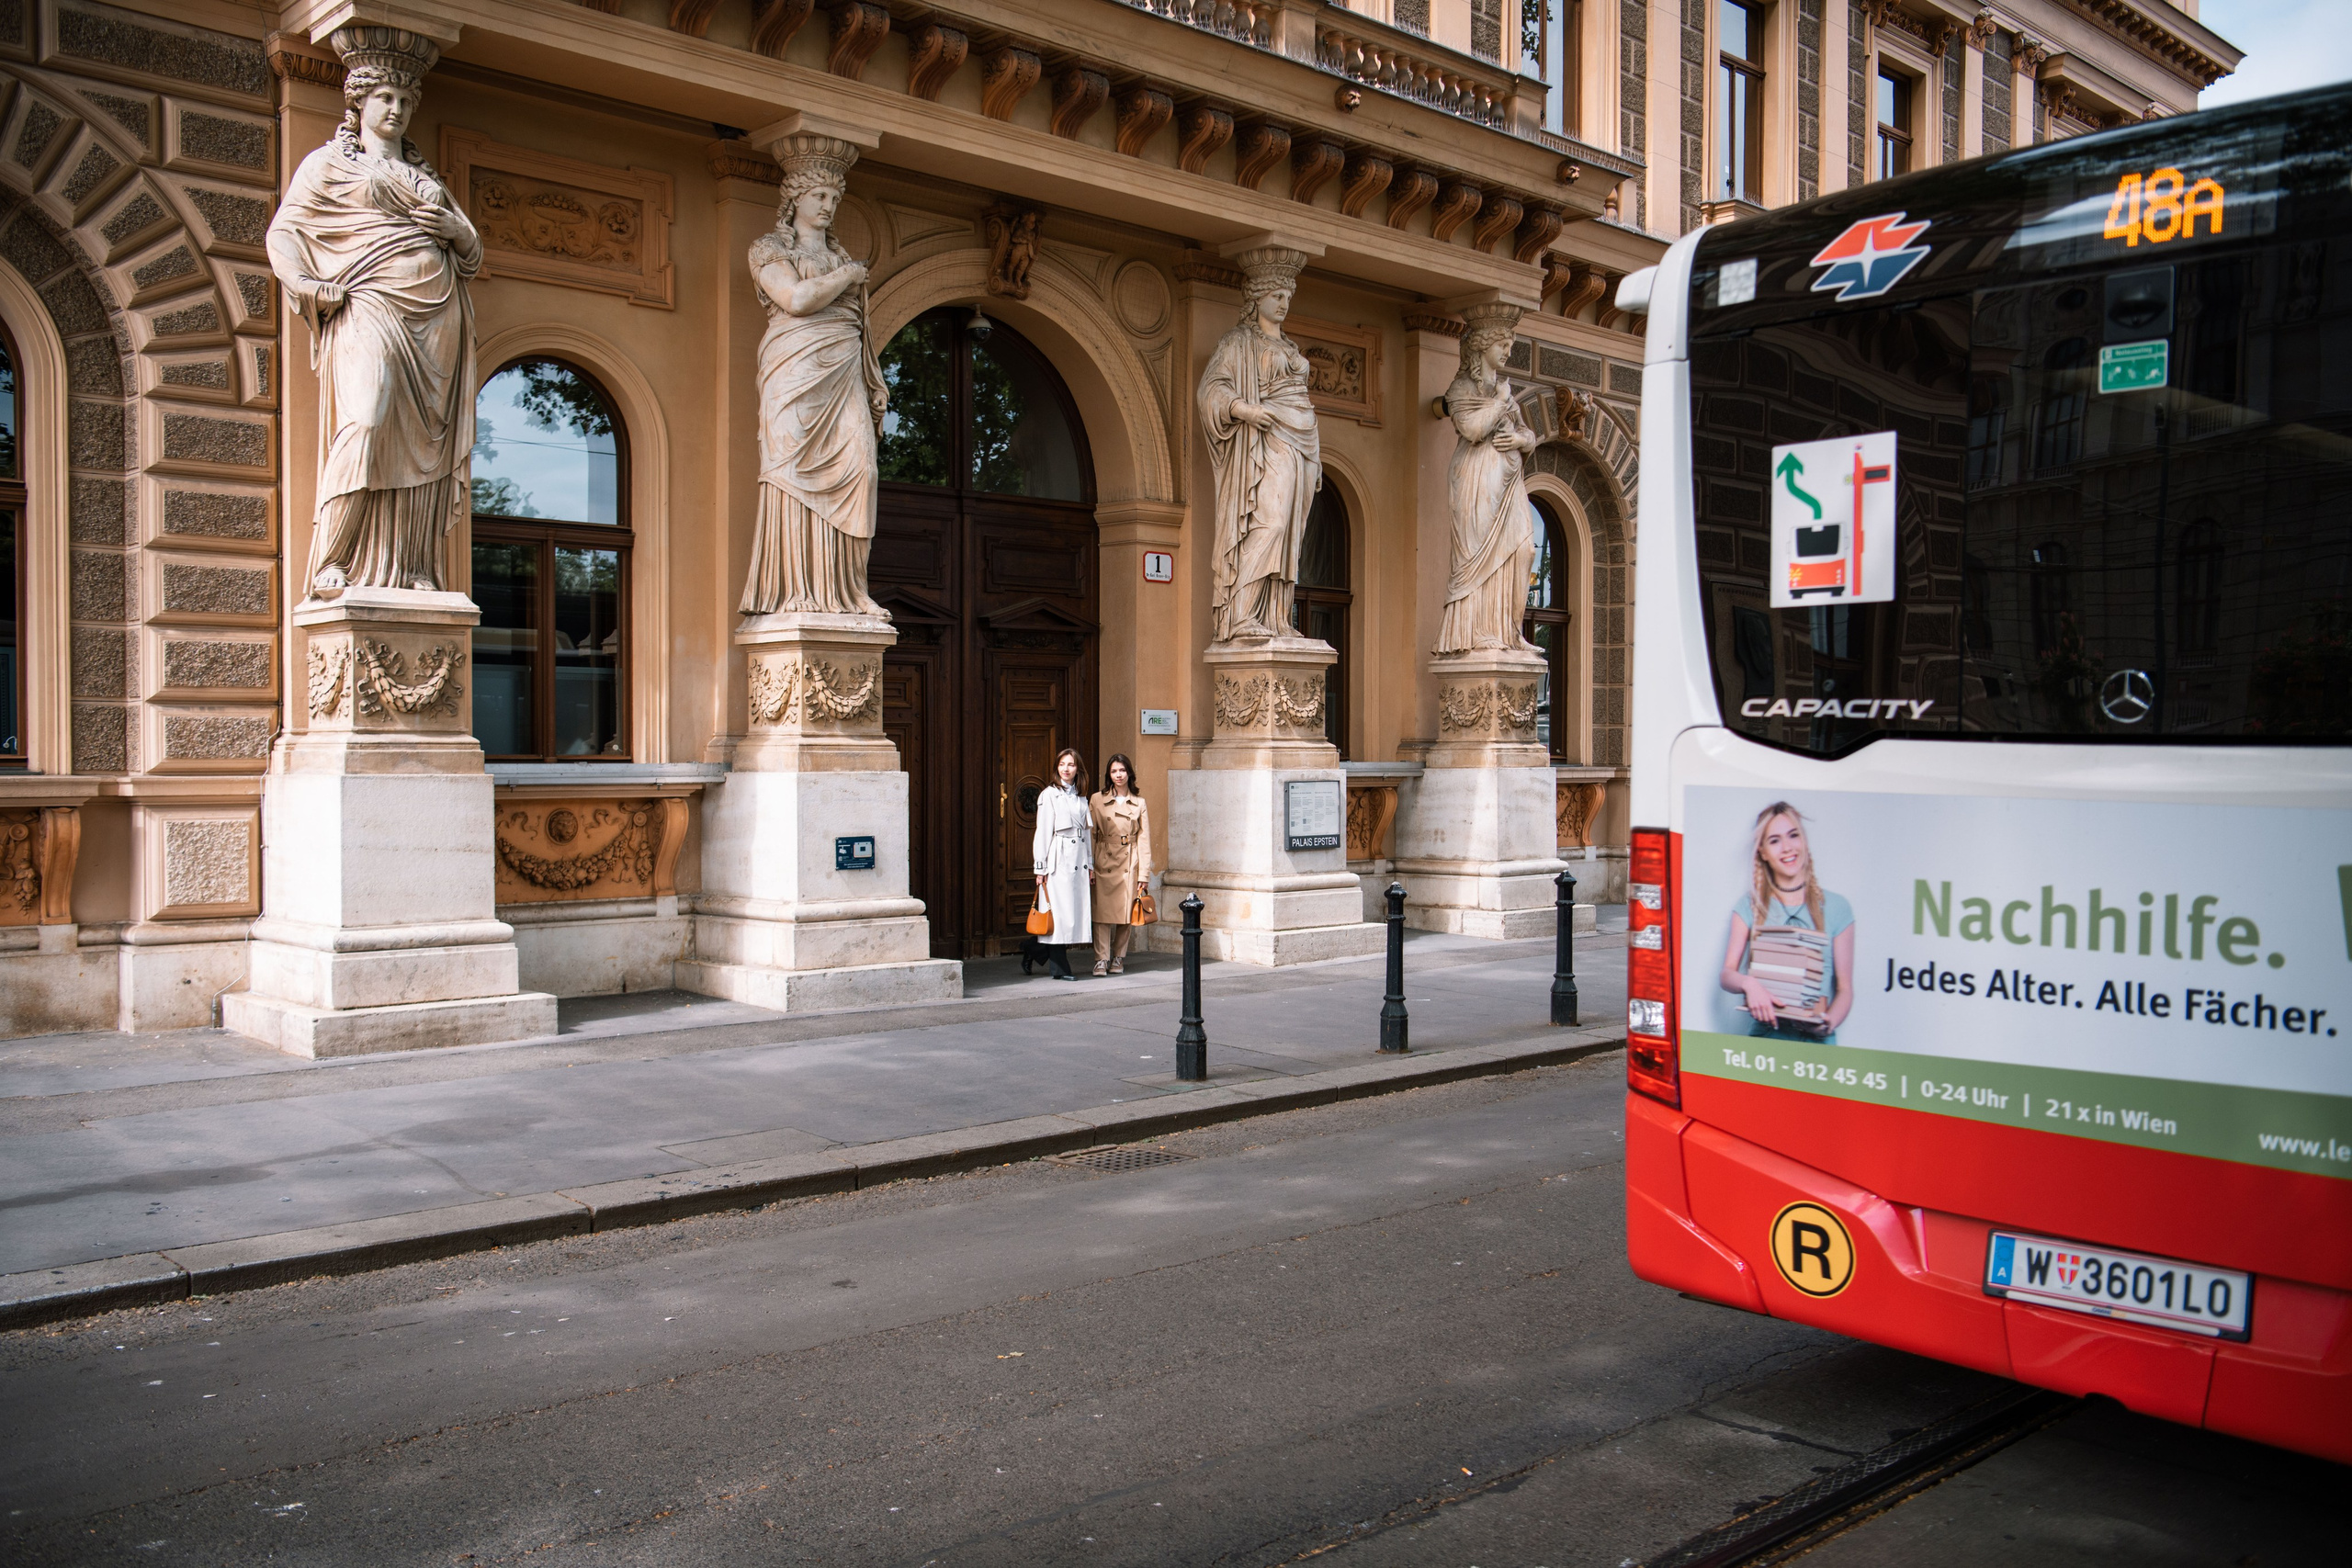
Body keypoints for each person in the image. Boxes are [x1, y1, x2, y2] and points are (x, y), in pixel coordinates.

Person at [266, 34, 481, 595]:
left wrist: (457, 231)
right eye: (385, 97)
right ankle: (337, 557)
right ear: (358, 103)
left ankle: (410, 567)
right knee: (365, 419)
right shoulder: (328, 165)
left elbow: (472, 252)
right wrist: (309, 286)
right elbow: (284, 234)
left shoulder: (425, 178)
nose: (396, 110)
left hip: (437, 316)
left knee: (423, 442)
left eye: (406, 102)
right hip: (368, 304)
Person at [738, 138, 889, 618]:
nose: (828, 206)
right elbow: (797, 300)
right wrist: (848, 276)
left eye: (833, 198)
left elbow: (860, 330)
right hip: (795, 369)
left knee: (861, 470)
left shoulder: (841, 257)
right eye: (818, 196)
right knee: (793, 475)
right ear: (795, 200)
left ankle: (848, 591)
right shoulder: (767, 249)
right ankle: (796, 590)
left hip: (843, 372)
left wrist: (873, 381)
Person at [1197, 253, 1321, 641]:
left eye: (1288, 295)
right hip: (1268, 437)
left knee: (1291, 536)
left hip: (1303, 438)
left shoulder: (1289, 346)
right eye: (1276, 295)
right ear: (1256, 299)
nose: (1284, 302)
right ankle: (1241, 615)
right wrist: (1244, 410)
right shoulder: (1237, 342)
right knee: (1270, 522)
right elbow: (1211, 390)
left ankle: (1278, 619)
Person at [1435, 319, 1544, 654]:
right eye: (1502, 345)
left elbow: (1529, 435)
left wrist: (1520, 438)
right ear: (1483, 346)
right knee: (1478, 557)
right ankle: (1478, 633)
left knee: (1524, 551)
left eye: (1510, 345)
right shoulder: (1462, 390)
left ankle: (1509, 631)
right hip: (1476, 482)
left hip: (1509, 485)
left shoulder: (1504, 391)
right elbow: (1472, 429)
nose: (1508, 351)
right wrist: (1499, 401)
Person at [1719, 801, 1856, 1042]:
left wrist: (1828, 1023)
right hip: (1766, 1042)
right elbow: (1727, 974)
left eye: (1793, 835)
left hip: (1818, 1047)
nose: (1787, 848)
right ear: (1762, 851)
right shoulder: (1749, 906)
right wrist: (1749, 984)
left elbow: (1845, 988)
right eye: (1774, 840)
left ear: (1804, 841)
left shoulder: (1837, 907)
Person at [1029, 748, 1094, 980]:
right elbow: (1043, 832)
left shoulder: (1081, 796)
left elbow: (1086, 834)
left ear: (1078, 769)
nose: (1066, 769)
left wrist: (1090, 864)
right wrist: (1041, 868)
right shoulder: (1049, 794)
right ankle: (1059, 969)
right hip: (1058, 859)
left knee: (1070, 915)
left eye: (1071, 765)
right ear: (1057, 767)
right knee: (1059, 914)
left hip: (1078, 861)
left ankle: (1032, 950)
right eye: (1062, 765)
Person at [1088, 754, 1152, 976]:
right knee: (1101, 913)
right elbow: (1091, 835)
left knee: (1127, 913)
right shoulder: (1097, 799)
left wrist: (1144, 874)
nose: (1118, 775)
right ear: (1109, 775)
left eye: (1122, 771)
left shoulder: (1140, 802)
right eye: (1114, 771)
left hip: (1130, 860)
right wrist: (1090, 866)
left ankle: (1118, 958)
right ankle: (1100, 959)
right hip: (1104, 858)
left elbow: (1144, 840)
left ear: (1129, 773)